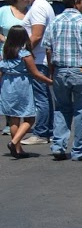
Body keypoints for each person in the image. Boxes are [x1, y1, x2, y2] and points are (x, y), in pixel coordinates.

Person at [41, 0, 82, 160]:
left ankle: (58, 146)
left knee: (61, 109)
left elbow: (48, 49)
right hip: (81, 70)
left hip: (60, 70)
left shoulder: (55, 22)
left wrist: (52, 70)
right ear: (77, 2)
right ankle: (78, 150)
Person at [1, 25, 52, 156]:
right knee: (30, 119)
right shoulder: (25, 54)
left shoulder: (4, 53)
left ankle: (17, 149)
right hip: (21, 85)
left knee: (14, 118)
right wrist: (50, 81)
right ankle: (14, 142)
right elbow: (35, 74)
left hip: (7, 85)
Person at [22, 0, 55, 142]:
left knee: (40, 97)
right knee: (44, 96)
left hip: (36, 58)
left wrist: (22, 53)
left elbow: (36, 36)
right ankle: (47, 129)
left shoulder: (38, 7)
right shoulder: (42, 6)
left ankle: (42, 132)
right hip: (41, 57)